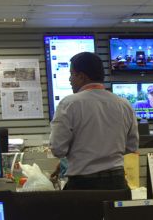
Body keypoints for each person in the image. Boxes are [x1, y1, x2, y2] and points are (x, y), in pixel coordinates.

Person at [49, 51, 137, 191]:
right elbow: (132, 146)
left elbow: (57, 149)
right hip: (118, 184)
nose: (70, 79)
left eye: (72, 74)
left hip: (84, 186)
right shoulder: (124, 104)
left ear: (82, 76)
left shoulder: (69, 104)